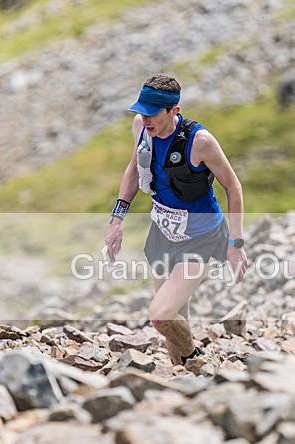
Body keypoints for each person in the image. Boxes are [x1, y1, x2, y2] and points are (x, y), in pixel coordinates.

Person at [104, 74, 248, 367]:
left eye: (153, 114)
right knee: (172, 335)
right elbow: (133, 170)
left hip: (203, 239)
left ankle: (198, 359)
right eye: (141, 112)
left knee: (161, 315)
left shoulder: (200, 141)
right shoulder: (141, 129)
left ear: (173, 111)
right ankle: (190, 382)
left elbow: (233, 186)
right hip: (163, 236)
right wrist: (116, 220)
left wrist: (235, 242)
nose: (145, 120)